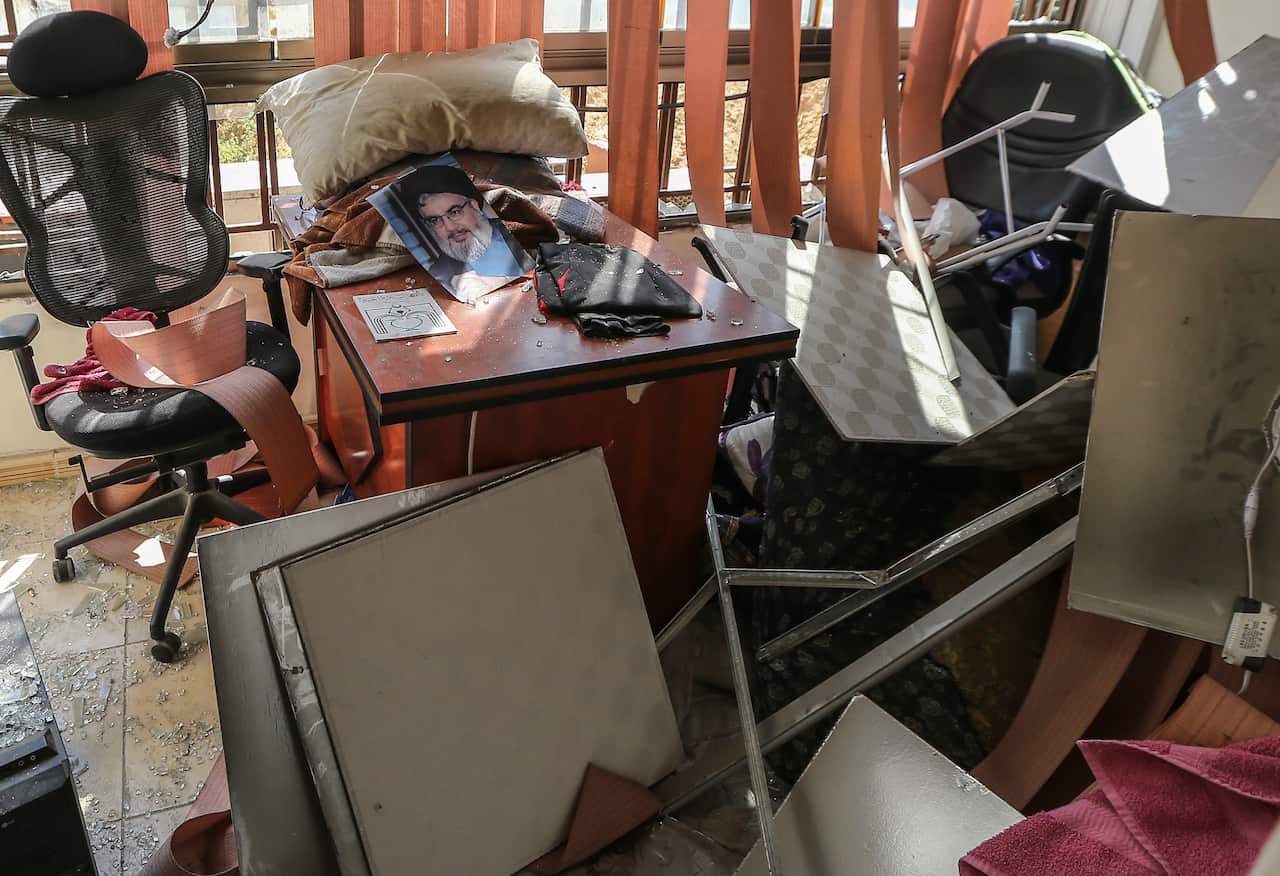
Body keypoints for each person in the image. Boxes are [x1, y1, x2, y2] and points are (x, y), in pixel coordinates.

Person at [410, 165, 527, 300]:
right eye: (435, 220)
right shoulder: (441, 268)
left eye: (454, 212)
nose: (449, 227)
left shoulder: (518, 231)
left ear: (474, 205)